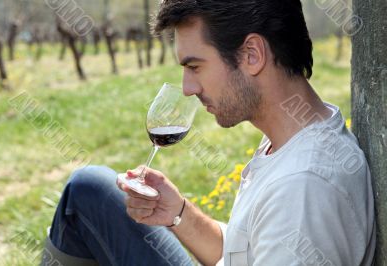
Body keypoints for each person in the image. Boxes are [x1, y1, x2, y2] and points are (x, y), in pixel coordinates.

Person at [41, 1, 376, 265]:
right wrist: (177, 213)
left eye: (194, 66)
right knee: (88, 189)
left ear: (252, 55)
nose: (188, 88)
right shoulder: (293, 136)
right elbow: (243, 253)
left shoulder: (303, 190)